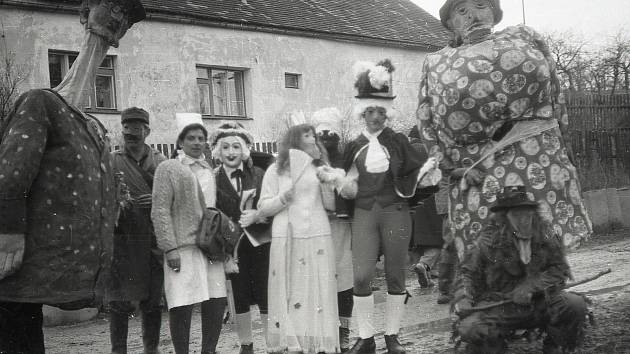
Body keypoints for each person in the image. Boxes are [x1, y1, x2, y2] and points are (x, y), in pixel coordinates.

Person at [0, 1, 145, 352]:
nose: (113, 31)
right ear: (87, 17)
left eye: (120, 26)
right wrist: (8, 232)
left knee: (26, 337)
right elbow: (11, 174)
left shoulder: (89, 126)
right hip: (13, 262)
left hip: (35, 272)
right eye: (111, 18)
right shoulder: (40, 103)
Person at [416, 0, 592, 259]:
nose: (473, 15)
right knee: (493, 251)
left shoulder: (524, 37)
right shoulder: (436, 62)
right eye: (461, 11)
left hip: (536, 156)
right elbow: (425, 120)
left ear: (495, 13)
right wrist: (450, 168)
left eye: (481, 5)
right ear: (451, 24)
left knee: (542, 242)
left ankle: (547, 293)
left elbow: (556, 96)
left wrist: (566, 147)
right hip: (477, 169)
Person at [340, 59, 438, 354]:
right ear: (363, 113)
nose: (376, 117)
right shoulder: (354, 144)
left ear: (387, 114)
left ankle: (392, 336)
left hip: (395, 212)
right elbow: (346, 181)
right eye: (370, 111)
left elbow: (422, 173)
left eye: (381, 111)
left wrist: (426, 171)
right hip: (364, 214)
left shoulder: (397, 141)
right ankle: (366, 337)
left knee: (396, 273)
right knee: (361, 276)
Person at [452, 186, 587, 354]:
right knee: (471, 328)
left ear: (534, 214)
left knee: (575, 304)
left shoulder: (545, 233)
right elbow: (467, 273)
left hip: (540, 302)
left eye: (527, 214)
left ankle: (556, 345)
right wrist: (463, 299)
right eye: (517, 215)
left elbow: (559, 270)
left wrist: (532, 286)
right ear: (504, 217)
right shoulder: (488, 239)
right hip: (500, 306)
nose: (524, 221)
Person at [258, 123, 340, 354]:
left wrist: (328, 184)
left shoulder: (320, 167)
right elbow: (263, 207)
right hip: (287, 236)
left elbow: (331, 206)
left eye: (314, 135)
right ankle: (293, 343)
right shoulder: (275, 170)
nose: (313, 138)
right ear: (294, 139)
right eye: (307, 134)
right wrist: (283, 198)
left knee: (317, 289)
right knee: (292, 289)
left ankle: (319, 343)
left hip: (316, 235)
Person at [151, 115, 227, 354]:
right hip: (183, 248)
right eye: (191, 138)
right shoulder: (169, 168)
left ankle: (209, 350)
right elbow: (160, 209)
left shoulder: (211, 169)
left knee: (216, 300)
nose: (197, 142)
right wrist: (169, 247)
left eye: (201, 138)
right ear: (180, 142)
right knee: (182, 303)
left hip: (210, 247)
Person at [108, 107, 166, 354]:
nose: (131, 133)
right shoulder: (112, 161)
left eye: (136, 128)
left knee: (152, 302)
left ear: (147, 131)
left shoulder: (161, 162)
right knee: (119, 302)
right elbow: (101, 198)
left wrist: (156, 198)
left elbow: (171, 198)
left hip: (152, 240)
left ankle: (150, 350)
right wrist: (117, 201)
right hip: (123, 241)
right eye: (126, 128)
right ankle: (118, 350)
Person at [212, 122, 272, 354]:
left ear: (245, 149)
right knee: (239, 296)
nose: (231, 152)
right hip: (233, 247)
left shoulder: (258, 174)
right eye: (225, 147)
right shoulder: (213, 177)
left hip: (260, 242)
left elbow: (271, 205)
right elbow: (211, 213)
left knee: (266, 293)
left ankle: (271, 342)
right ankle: (246, 344)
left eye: (236, 146)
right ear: (217, 151)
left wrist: (259, 216)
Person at [313, 107, 355, 352]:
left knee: (344, 279)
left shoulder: (346, 161)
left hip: (342, 227)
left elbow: (352, 191)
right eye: (322, 135)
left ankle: (344, 330)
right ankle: (325, 330)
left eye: (332, 135)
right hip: (317, 230)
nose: (327, 139)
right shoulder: (310, 161)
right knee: (321, 280)